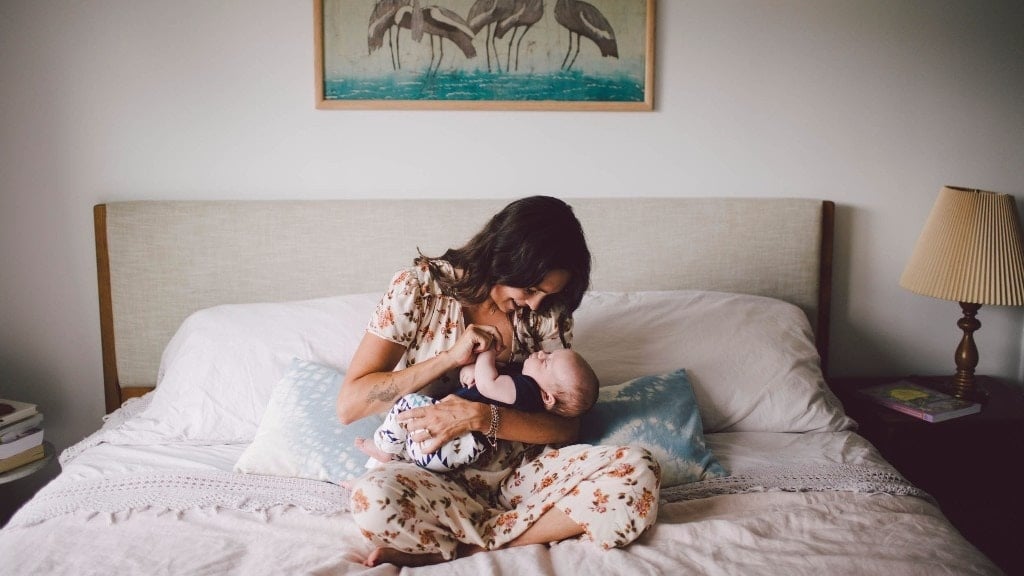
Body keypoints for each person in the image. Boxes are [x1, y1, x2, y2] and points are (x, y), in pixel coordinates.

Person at [337, 195, 661, 567]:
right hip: (431, 471)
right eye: (531, 290)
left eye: (548, 294)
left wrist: (479, 417)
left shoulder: (546, 317)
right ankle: (520, 531)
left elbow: (566, 427)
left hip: (521, 477)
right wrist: (448, 358)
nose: (538, 305)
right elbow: (349, 406)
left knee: (638, 470)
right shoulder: (419, 290)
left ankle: (471, 546)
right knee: (372, 500)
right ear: (505, 259)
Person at [357, 347, 599, 472]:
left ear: (547, 397)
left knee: (409, 404)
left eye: (546, 361)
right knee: (410, 445)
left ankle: (383, 448)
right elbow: (488, 386)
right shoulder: (525, 392)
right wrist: (474, 372)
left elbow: (488, 384)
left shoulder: (528, 390)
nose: (540, 353)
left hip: (453, 440)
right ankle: (374, 470)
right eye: (548, 353)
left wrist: (487, 355)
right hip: (449, 452)